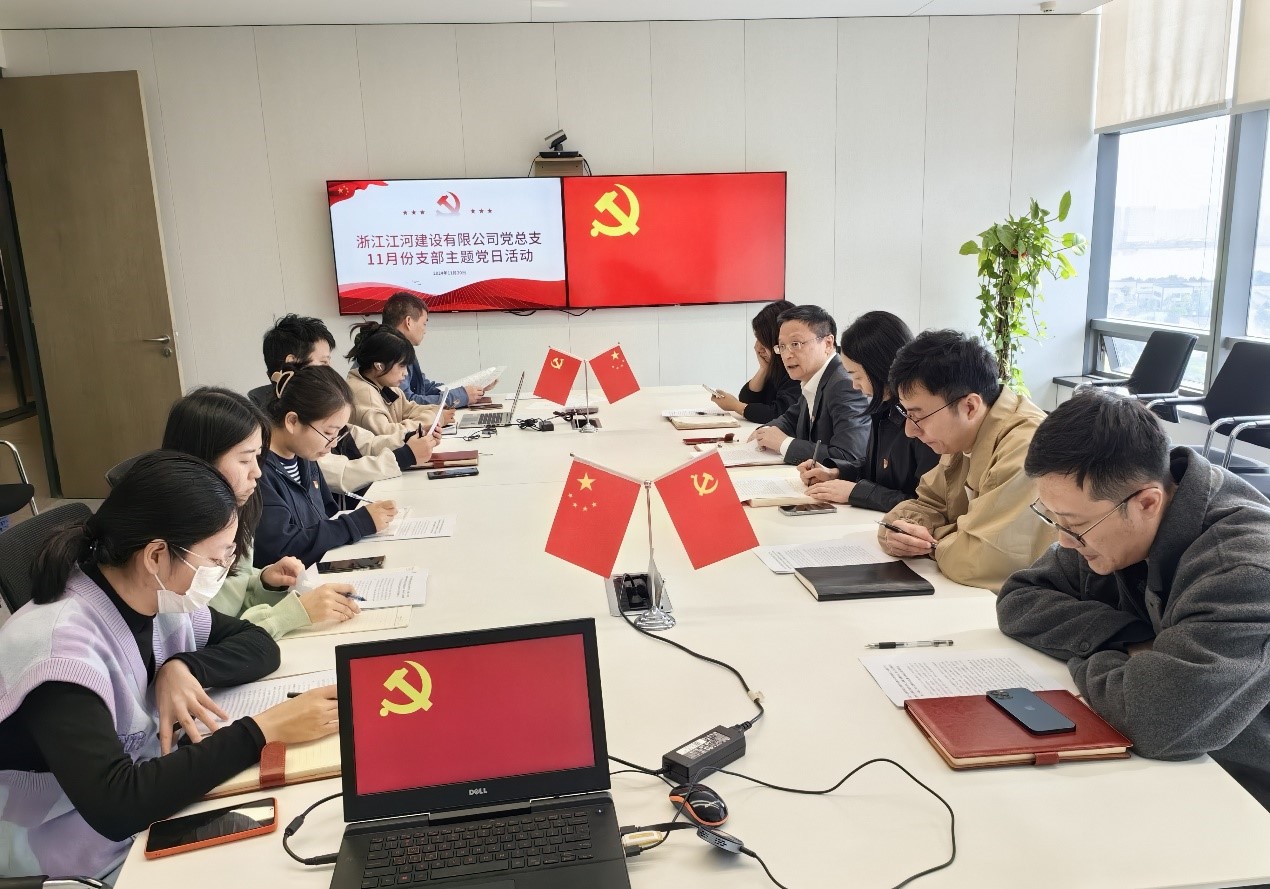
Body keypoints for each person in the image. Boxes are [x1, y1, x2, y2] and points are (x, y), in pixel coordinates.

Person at [0, 452, 338, 879]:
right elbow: (117, 805)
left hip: (146, 800)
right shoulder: (59, 650)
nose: (223, 571)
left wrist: (182, 666)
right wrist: (263, 731)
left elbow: (258, 645)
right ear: (157, 555)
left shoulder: (154, 598)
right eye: (216, 560)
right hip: (66, 845)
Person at [997, 389, 1270, 810]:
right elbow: (1019, 599)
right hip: (1185, 768)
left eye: (1073, 525)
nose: (1064, 542)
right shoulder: (1113, 520)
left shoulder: (1244, 571)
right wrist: (1131, 639)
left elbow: (1156, 720)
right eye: (1053, 520)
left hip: (1243, 791)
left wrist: (1092, 656)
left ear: (1147, 502)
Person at [163, 388, 363, 638]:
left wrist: (264, 582)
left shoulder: (238, 508)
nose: (257, 472)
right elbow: (207, 640)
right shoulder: (179, 546)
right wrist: (292, 614)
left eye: (258, 458)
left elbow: (235, 594)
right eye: (245, 460)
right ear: (201, 460)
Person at [877, 329, 1051, 592]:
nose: (909, 431)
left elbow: (979, 560)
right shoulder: (964, 433)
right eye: (906, 414)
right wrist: (901, 531)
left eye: (918, 416)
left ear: (969, 406)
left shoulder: (1026, 446)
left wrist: (928, 540)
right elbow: (927, 503)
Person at [249, 315, 441, 496]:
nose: (330, 370)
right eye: (323, 362)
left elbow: (362, 441)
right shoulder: (288, 428)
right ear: (293, 363)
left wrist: (407, 437)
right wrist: (404, 456)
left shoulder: (314, 407)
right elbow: (340, 473)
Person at [797, 311, 939, 511]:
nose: (854, 385)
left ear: (880, 367)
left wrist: (856, 492)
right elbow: (878, 468)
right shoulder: (884, 408)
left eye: (857, 376)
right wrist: (836, 473)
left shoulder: (924, 418)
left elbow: (927, 505)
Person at [256, 365, 397, 568]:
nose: (333, 444)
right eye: (329, 433)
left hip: (323, 564)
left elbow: (328, 515)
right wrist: (357, 523)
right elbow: (280, 549)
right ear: (293, 421)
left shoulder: (305, 456)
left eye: (338, 433)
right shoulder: (257, 472)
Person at [748, 304, 869, 465]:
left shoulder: (844, 384)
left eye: (795, 344)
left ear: (827, 343)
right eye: (782, 346)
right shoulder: (815, 377)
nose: (787, 355)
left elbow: (850, 456)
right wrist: (764, 432)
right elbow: (791, 419)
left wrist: (784, 443)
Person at [383, 291, 489, 408]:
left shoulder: (403, 348)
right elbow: (407, 403)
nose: (425, 330)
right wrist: (461, 396)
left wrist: (469, 390)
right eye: (424, 324)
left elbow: (424, 388)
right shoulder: (389, 352)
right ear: (409, 322)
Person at [344, 321, 446, 438]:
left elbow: (410, 409)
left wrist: (438, 412)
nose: (406, 373)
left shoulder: (386, 386)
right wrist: (437, 418)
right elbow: (389, 434)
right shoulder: (364, 393)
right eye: (402, 366)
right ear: (379, 366)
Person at [709, 299, 800, 423]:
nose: (757, 347)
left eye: (763, 341)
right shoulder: (777, 367)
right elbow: (747, 400)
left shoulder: (796, 371)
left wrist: (735, 406)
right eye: (757, 339)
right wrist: (764, 369)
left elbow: (777, 414)